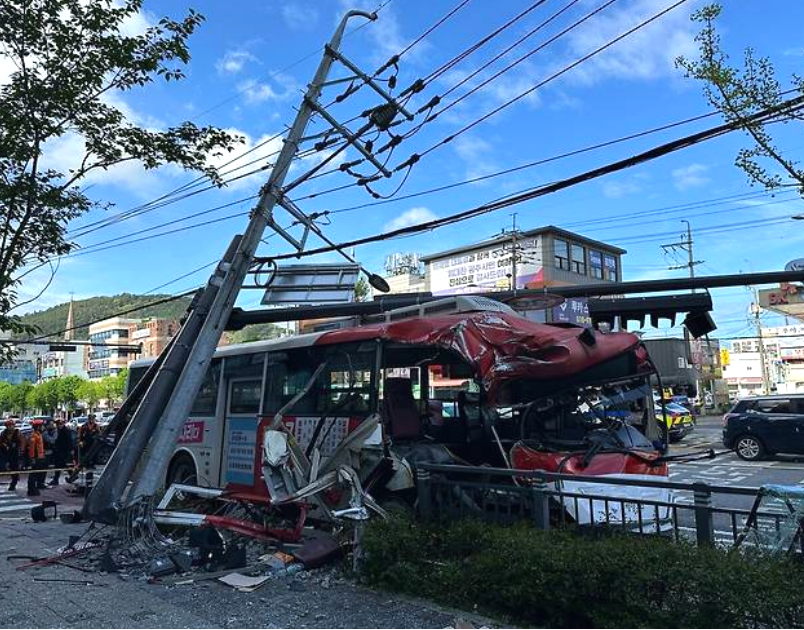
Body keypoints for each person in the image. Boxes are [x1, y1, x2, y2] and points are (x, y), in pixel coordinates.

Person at [0, 419, 25, 491]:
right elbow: (1, 442)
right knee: (3, 466)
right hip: (5, 453)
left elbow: (22, 442)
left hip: (15, 453)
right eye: (9, 426)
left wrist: (21, 450)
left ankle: (14, 482)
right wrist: (5, 445)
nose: (10, 427)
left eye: (12, 425)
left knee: (14, 468)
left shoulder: (18, 433)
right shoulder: (3, 433)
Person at [49, 418, 74, 486]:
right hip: (58, 451)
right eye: (57, 424)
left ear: (63, 424)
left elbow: (70, 441)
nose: (59, 425)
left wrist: (71, 450)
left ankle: (72, 476)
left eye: (60, 424)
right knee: (60, 465)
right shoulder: (57, 431)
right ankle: (71, 476)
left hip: (64, 451)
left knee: (63, 464)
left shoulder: (66, 431)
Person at [26, 419, 47, 496]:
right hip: (36, 458)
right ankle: (31, 489)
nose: (43, 427)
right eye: (42, 426)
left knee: (37, 474)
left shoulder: (39, 434)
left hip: (40, 457)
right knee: (33, 475)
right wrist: (33, 458)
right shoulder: (34, 436)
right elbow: (32, 448)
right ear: (38, 427)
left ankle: (35, 487)